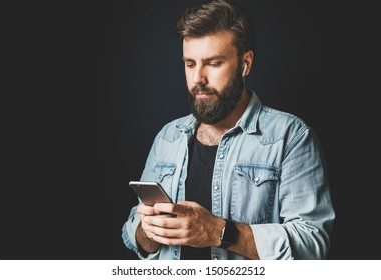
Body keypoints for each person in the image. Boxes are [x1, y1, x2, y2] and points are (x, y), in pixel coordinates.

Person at [122, 0, 335, 260]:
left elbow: (312, 246)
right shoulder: (168, 137)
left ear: (245, 63)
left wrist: (217, 231)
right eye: (190, 64)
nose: (198, 78)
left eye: (212, 63)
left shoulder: (291, 138)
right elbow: (134, 229)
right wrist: (147, 231)